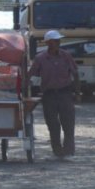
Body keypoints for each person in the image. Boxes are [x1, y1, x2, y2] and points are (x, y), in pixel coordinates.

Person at [28, 30, 79, 158]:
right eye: (55, 41)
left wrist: (78, 92)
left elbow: (75, 74)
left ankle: (68, 150)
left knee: (68, 123)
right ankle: (57, 150)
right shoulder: (40, 58)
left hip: (65, 93)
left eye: (58, 41)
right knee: (53, 124)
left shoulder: (66, 56)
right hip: (48, 95)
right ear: (48, 43)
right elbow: (30, 74)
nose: (58, 43)